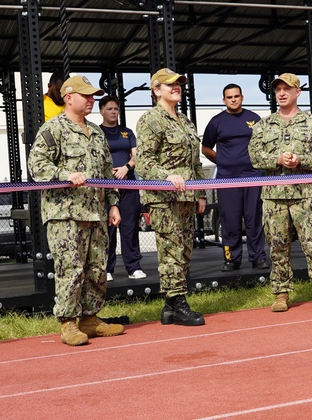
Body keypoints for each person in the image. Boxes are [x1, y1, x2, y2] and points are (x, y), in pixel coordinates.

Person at [28, 75, 124, 346]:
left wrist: (113, 203)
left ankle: (91, 319)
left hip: (95, 213)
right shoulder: (53, 129)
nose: (91, 100)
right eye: (86, 95)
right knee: (71, 269)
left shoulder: (96, 132)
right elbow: (37, 166)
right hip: (66, 214)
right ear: (69, 98)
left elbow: (106, 172)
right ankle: (68, 323)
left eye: (93, 96)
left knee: (96, 268)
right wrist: (65, 174)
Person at [248, 73, 312, 313]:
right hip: (274, 196)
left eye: (286, 89)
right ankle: (281, 294)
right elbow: (255, 157)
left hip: (306, 195)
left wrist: (301, 160)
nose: (281, 93)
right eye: (278, 89)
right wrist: (276, 159)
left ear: (297, 92)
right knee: (277, 247)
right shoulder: (263, 125)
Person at [136, 68, 207, 326]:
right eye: (169, 84)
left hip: (186, 197)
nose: (176, 87)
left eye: (178, 83)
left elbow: (195, 162)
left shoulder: (185, 121)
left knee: (184, 251)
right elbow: (143, 162)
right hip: (164, 198)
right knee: (171, 251)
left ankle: (169, 306)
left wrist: (200, 193)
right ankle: (178, 303)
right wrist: (165, 175)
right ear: (156, 90)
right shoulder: (150, 120)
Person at [201, 84, 269, 271]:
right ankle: (232, 259)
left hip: (253, 177)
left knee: (254, 219)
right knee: (230, 220)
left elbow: (264, 145)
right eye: (229, 97)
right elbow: (205, 148)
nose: (233, 99)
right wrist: (221, 160)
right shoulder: (217, 122)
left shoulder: (254, 118)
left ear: (242, 97)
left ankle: (258, 258)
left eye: (236, 96)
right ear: (224, 100)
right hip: (227, 179)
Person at [98, 95, 146, 281]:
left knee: (130, 228)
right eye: (109, 109)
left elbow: (137, 156)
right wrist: (108, 171)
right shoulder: (97, 132)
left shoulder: (127, 132)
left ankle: (134, 267)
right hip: (107, 188)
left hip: (129, 185)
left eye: (116, 109)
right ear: (101, 111)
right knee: (108, 229)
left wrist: (127, 167)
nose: (113, 112)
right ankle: (107, 269)